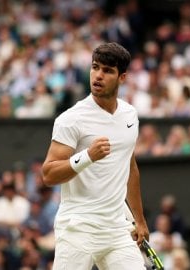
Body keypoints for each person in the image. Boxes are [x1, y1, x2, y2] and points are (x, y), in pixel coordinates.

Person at [41, 42, 149, 270]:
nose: (98, 75)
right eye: (95, 67)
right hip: (78, 228)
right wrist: (87, 156)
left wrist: (139, 220)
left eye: (107, 71)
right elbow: (48, 174)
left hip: (117, 229)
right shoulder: (71, 119)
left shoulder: (130, 115)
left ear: (122, 77)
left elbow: (130, 168)